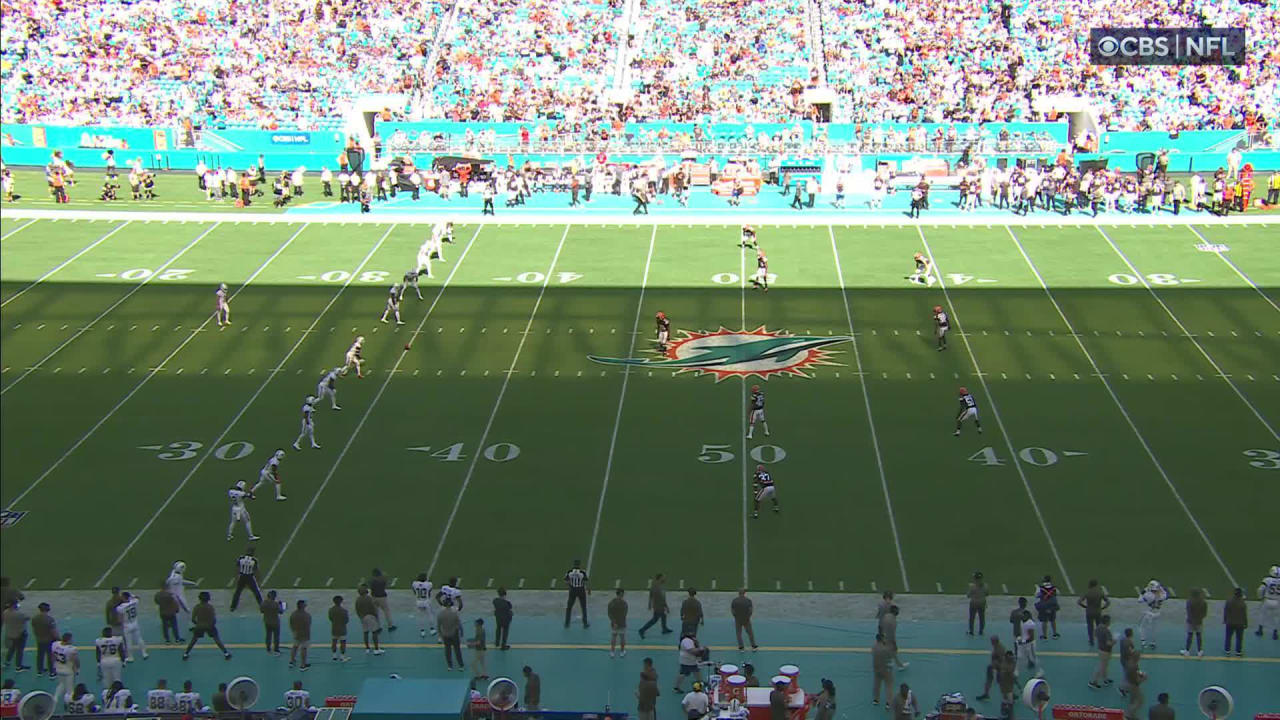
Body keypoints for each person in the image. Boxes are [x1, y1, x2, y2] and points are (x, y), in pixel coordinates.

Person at [183, 591, 232, 660]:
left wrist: (198, 624)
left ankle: (186, 654)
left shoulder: (197, 607)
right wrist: (212, 625)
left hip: (199, 626)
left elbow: (193, 619)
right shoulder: (210, 607)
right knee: (217, 640)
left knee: (193, 641)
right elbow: (214, 619)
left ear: (199, 598)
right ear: (209, 598)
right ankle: (226, 654)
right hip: (210, 626)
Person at [115, 592, 148, 660]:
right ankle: (144, 653)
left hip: (127, 625)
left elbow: (119, 619)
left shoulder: (120, 607)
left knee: (128, 642)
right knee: (139, 639)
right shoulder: (134, 602)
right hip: (135, 623)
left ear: (124, 598)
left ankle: (130, 657)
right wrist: (132, 595)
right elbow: (138, 598)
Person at [1079, 579, 1111, 646]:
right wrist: (1103, 607)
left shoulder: (1087, 592)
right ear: (1096, 585)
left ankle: (1091, 641)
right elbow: (1108, 602)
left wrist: (1085, 606)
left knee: (1090, 627)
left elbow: (1079, 602)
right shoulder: (1100, 592)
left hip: (1089, 611)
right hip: (1098, 611)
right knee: (1099, 627)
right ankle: (1100, 640)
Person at [230, 546, 263, 611]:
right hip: (250, 577)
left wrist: (236, 577)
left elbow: (237, 568)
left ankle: (233, 607)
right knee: (256, 591)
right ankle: (261, 605)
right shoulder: (254, 560)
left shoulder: (241, 558)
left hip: (242, 576)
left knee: (238, 592)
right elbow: (256, 571)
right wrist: (258, 580)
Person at [639, 573, 672, 638]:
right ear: (660, 578)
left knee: (663, 616)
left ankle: (664, 628)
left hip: (659, 605)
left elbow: (658, 597)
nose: (665, 578)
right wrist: (666, 606)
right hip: (658, 606)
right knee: (654, 620)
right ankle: (642, 630)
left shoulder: (659, 586)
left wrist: (665, 606)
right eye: (663, 577)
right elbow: (656, 597)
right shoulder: (657, 586)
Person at [51, 632, 79, 710]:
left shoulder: (55, 644)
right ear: (68, 640)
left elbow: (52, 656)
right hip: (68, 670)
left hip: (58, 668)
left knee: (61, 684)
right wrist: (77, 669)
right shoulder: (71, 649)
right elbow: (75, 660)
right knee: (70, 689)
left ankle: (55, 699)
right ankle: (68, 704)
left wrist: (53, 666)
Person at [1138, 580, 1168, 649]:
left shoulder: (1149, 595)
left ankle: (1143, 642)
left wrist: (1143, 592)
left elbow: (1139, 600)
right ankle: (1153, 642)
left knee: (1142, 626)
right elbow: (1165, 594)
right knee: (1154, 628)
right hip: (1157, 613)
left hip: (1149, 613)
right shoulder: (1162, 595)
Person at [355, 585, 384, 655]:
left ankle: (367, 648)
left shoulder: (358, 600)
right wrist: (376, 616)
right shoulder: (369, 598)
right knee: (374, 632)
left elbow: (357, 609)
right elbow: (373, 608)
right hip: (370, 616)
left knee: (365, 632)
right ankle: (376, 649)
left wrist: (360, 617)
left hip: (362, 617)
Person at [879, 605, 909, 670]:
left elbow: (881, 626)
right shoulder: (893, 621)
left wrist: (881, 635)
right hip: (888, 638)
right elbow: (892, 634)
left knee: (890, 651)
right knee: (893, 651)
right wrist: (894, 644)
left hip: (883, 636)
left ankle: (890, 662)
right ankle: (899, 665)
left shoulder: (886, 616)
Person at [30, 603, 56, 678]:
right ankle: (52, 672)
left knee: (40, 655)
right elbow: (53, 631)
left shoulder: (35, 618)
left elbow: (34, 628)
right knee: (50, 656)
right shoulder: (50, 619)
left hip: (39, 639)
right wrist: (58, 639)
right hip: (49, 640)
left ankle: (39, 671)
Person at [976, 634, 1005, 700]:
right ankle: (986, 693)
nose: (991, 642)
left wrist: (997, 667)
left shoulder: (1000, 649)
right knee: (990, 680)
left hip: (998, 668)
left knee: (1001, 682)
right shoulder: (996, 647)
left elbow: (1002, 660)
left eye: (992, 641)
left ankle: (1008, 695)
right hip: (994, 667)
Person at [1089, 614, 1115, 688]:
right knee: (1101, 667)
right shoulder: (1106, 631)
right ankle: (1093, 682)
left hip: (1100, 649)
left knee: (1104, 665)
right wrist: (1114, 641)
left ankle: (1105, 679)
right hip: (1106, 651)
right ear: (1107, 622)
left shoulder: (1098, 627)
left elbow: (1095, 635)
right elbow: (1109, 643)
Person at [439, 599, 463, 670]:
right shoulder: (454, 613)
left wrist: (440, 635)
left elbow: (438, 626)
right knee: (457, 650)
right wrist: (461, 631)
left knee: (447, 650)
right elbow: (459, 624)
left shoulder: (441, 614)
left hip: (445, 634)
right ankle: (461, 665)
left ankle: (450, 666)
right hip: (454, 634)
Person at [564, 559, 590, 628]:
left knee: (569, 607)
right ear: (579, 564)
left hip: (572, 590)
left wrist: (570, 586)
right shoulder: (582, 572)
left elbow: (566, 582)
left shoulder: (569, 572)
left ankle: (567, 623)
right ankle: (585, 623)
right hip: (581, 590)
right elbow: (585, 582)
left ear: (573, 564)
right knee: (583, 607)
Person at [1182, 588, 1207, 657]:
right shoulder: (1203, 602)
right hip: (1199, 621)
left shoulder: (1189, 602)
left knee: (1190, 635)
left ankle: (1187, 651)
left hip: (1191, 621)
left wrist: (1191, 619)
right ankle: (1199, 651)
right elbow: (1204, 613)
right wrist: (1200, 618)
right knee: (1199, 636)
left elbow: (1188, 611)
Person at [1257, 565, 1280, 640]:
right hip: (1277, 601)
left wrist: (1260, 597)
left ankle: (1260, 630)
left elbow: (1261, 589)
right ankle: (1275, 633)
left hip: (1267, 600)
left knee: (1262, 615)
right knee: (1276, 618)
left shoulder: (1267, 580)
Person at [287, 599, 311, 670]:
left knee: (295, 646)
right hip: (304, 634)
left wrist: (294, 631)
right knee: (304, 648)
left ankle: (291, 661)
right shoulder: (306, 615)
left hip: (296, 633)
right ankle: (303, 665)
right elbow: (308, 624)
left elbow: (291, 623)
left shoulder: (293, 614)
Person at [1223, 587, 1248, 656]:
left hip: (1230, 622)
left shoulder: (1229, 601)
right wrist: (1246, 623)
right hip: (1240, 623)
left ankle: (1227, 650)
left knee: (1228, 637)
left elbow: (1226, 611)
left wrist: (1225, 620)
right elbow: (1244, 614)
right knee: (1239, 638)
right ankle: (1238, 651)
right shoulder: (1242, 603)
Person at [871, 633, 894, 705]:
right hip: (885, 669)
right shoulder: (885, 648)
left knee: (877, 685)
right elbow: (890, 657)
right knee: (888, 686)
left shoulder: (874, 648)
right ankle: (888, 702)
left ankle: (876, 700)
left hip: (877, 669)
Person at [329, 595, 350, 662]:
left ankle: (334, 655)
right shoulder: (344, 611)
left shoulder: (331, 610)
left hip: (334, 628)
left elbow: (330, 618)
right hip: (342, 628)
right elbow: (346, 620)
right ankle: (342, 656)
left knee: (334, 641)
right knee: (343, 642)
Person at [608, 589, 628, 658]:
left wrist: (614, 622)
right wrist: (620, 622)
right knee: (622, 637)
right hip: (622, 623)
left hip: (614, 624)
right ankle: (622, 652)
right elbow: (625, 614)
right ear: (621, 594)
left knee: (614, 636)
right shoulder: (624, 603)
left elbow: (609, 614)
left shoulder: (611, 603)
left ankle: (612, 652)